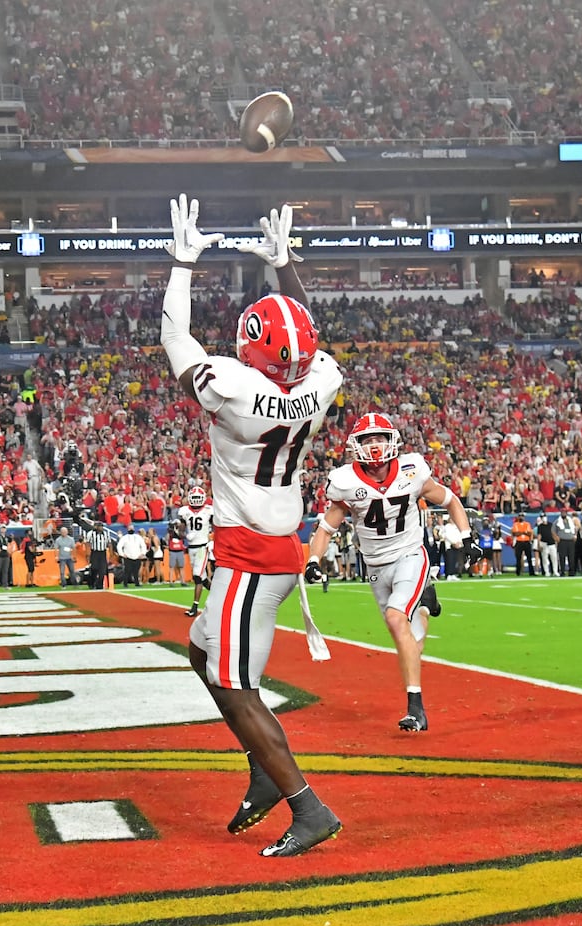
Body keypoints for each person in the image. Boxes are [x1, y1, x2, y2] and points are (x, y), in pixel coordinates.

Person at [162, 195, 344, 856]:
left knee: (237, 689)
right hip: (276, 544)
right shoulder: (319, 384)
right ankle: (261, 770)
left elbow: (175, 339)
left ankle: (306, 805)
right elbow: (313, 340)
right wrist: (285, 268)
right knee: (202, 652)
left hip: (249, 554)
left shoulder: (236, 388)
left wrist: (183, 261)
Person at [308, 412, 473, 732]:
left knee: (397, 618)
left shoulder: (412, 471)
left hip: (411, 554)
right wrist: (313, 560)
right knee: (410, 639)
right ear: (355, 446)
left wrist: (465, 536)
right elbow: (326, 528)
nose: (374, 445)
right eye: (367, 440)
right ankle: (425, 603)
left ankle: (416, 708)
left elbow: (450, 499)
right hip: (375, 566)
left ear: (391, 441)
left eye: (379, 438)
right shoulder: (347, 481)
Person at [176, 485, 212, 616]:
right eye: (194, 497)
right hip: (191, 548)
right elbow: (180, 530)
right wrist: (184, 534)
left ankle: (195, 607)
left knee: (197, 576)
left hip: (203, 546)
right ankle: (217, 594)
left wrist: (212, 540)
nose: (196, 500)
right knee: (201, 577)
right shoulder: (184, 511)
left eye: (198, 497)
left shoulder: (209, 510)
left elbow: (216, 527)